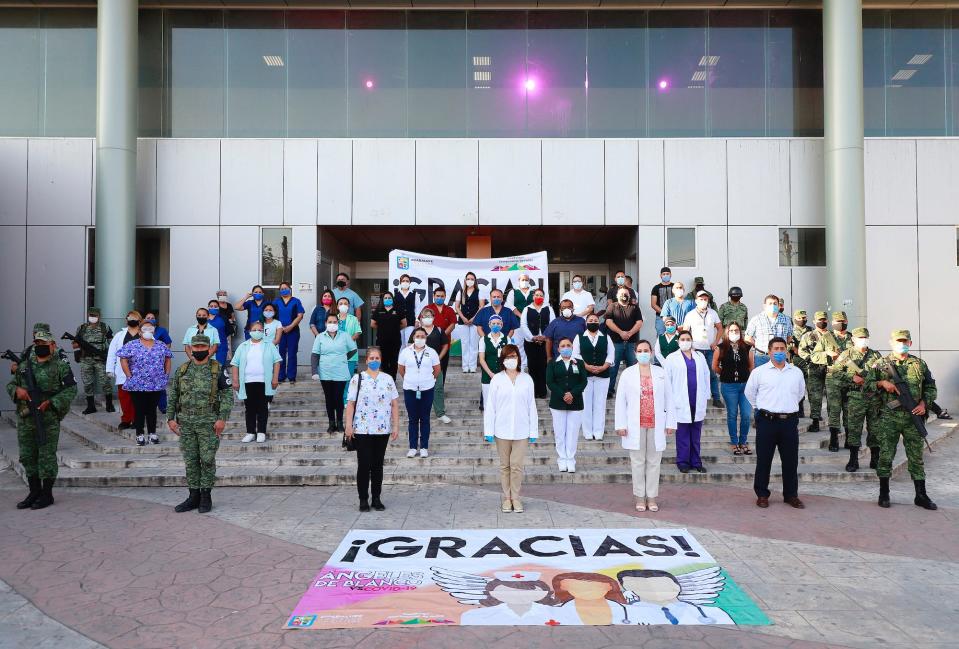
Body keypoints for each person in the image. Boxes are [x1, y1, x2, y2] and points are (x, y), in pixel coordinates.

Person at [6, 330, 77, 510]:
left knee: (46, 456)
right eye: (37, 344)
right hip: (25, 417)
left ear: (52, 345)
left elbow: (71, 389)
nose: (40, 347)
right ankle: (34, 491)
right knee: (28, 456)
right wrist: (17, 392)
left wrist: (51, 402)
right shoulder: (25, 366)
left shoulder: (60, 366)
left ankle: (47, 494)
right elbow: (11, 384)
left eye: (44, 344)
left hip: (48, 418)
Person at [869, 330, 938, 510]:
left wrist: (924, 403)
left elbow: (931, 387)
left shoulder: (919, 364)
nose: (902, 344)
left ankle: (920, 495)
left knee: (916, 457)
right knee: (885, 455)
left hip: (913, 416)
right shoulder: (880, 364)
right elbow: (865, 385)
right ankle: (884, 493)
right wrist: (882, 383)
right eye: (898, 341)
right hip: (889, 417)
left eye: (905, 341)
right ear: (891, 343)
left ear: (910, 343)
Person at [167, 335, 233, 514]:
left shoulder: (217, 369)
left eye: (202, 347)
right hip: (186, 424)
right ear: (190, 349)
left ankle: (206, 496)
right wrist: (170, 418)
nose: (198, 350)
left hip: (208, 423)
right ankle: (193, 496)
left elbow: (227, 396)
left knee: (207, 459)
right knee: (191, 461)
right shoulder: (182, 370)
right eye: (195, 347)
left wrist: (222, 418)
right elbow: (173, 395)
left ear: (209, 348)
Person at [745, 337, 806, 509]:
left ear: (786, 351)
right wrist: (760, 408)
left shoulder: (796, 372)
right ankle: (762, 494)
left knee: (790, 460)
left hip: (789, 422)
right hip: (767, 421)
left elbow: (800, 393)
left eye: (782, 348)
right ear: (769, 351)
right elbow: (750, 393)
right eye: (776, 349)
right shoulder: (760, 372)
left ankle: (791, 495)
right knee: (764, 460)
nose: (779, 352)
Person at [615, 340, 676, 512]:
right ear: (635, 353)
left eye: (646, 350)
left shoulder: (660, 372)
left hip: (656, 423)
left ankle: (652, 497)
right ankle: (640, 497)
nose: (643, 353)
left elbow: (669, 399)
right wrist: (620, 424)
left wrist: (671, 422)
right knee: (637, 462)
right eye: (640, 350)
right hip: (635, 424)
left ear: (651, 352)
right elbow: (621, 401)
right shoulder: (627, 373)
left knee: (654, 462)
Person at [483, 344, 538, 513]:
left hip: (522, 430)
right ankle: (507, 498)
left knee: (516, 465)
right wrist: (488, 431)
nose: (511, 360)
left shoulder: (526, 379)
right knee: (505, 465)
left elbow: (531, 405)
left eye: (513, 356)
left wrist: (533, 430)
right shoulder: (497, 379)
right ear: (503, 360)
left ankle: (516, 497)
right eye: (507, 357)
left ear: (518, 358)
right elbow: (490, 406)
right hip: (502, 429)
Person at [345, 347, 400, 512]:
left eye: (377, 358)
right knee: (364, 464)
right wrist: (349, 425)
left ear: (381, 360)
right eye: (372, 358)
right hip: (362, 429)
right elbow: (351, 404)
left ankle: (376, 497)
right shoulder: (358, 379)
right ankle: (363, 499)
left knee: (377, 465)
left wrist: (395, 425)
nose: (374, 361)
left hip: (382, 429)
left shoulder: (388, 379)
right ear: (366, 360)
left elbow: (395, 404)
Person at [831, 327, 883, 472]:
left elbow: (884, 374)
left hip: (874, 398)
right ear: (853, 339)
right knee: (854, 429)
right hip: (855, 397)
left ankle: (875, 459)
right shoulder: (845, 355)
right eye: (860, 338)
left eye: (865, 337)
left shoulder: (876, 355)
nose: (863, 340)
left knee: (875, 429)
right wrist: (851, 377)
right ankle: (853, 459)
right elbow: (835, 373)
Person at [117, 321, 173, 446]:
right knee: (139, 409)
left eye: (150, 328)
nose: (147, 330)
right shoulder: (132, 345)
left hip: (156, 383)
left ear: (154, 330)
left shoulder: (161, 345)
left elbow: (168, 358)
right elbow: (123, 359)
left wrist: (166, 374)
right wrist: (129, 375)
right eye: (144, 328)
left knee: (152, 409)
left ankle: (152, 434)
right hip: (137, 383)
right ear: (139, 331)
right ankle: (140, 434)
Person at [664, 331, 710, 474]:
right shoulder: (672, 358)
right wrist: (668, 402)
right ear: (678, 342)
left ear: (692, 340)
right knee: (683, 434)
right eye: (682, 339)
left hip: (697, 399)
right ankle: (683, 462)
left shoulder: (700, 357)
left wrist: (706, 396)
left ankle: (696, 461)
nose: (685, 341)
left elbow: (706, 376)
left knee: (696, 434)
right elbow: (667, 381)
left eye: (688, 339)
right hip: (680, 400)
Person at [230, 320, 281, 444]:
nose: (257, 332)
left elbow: (277, 362)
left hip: (264, 381)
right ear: (249, 331)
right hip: (247, 381)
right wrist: (235, 380)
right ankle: (250, 432)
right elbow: (235, 364)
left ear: (263, 332)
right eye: (254, 330)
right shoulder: (243, 346)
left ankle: (261, 432)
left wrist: (275, 378)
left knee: (263, 407)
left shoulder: (269, 345)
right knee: (250, 408)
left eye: (260, 330)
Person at [798, 310, 845, 439]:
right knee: (815, 396)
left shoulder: (832, 336)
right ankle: (815, 421)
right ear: (814, 321)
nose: (822, 322)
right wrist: (810, 358)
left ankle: (834, 424)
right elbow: (801, 351)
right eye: (819, 320)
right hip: (814, 368)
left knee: (832, 398)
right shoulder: (808, 335)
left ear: (827, 321)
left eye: (824, 320)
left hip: (831, 369)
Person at [546, 337, 587, 473]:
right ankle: (562, 458)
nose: (566, 348)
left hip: (576, 403)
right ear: (558, 349)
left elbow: (583, 381)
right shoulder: (552, 363)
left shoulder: (579, 362)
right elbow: (550, 382)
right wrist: (563, 394)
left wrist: (572, 394)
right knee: (559, 432)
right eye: (563, 345)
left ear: (572, 347)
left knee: (573, 432)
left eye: (568, 345)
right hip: (558, 403)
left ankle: (570, 459)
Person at [398, 327, 441, 459]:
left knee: (425, 418)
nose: (420, 338)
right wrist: (410, 380)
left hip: (427, 389)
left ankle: (423, 447)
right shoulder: (405, 352)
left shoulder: (432, 352)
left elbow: (437, 369)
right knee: (412, 419)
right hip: (410, 389)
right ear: (413, 337)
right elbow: (401, 369)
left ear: (426, 338)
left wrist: (429, 380)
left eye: (423, 336)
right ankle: (412, 447)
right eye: (418, 336)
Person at [712, 322, 754, 455]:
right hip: (729, 386)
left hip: (745, 385)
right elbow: (715, 366)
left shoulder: (747, 347)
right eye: (731, 330)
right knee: (732, 414)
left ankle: (743, 441)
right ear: (727, 332)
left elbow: (751, 366)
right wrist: (726, 374)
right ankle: (734, 443)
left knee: (746, 415)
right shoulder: (721, 348)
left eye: (736, 330)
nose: (734, 333)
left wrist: (743, 375)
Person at [313, 313, 357, 433]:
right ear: (326, 323)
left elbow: (353, 349)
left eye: (335, 322)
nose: (332, 324)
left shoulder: (345, 335)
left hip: (341, 371)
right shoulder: (320, 337)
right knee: (329, 398)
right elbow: (315, 354)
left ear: (338, 323)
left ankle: (340, 423)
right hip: (325, 372)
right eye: (330, 322)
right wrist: (314, 371)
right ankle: (331, 423)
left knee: (338, 398)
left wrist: (343, 358)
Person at [573, 314, 614, 441]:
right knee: (586, 404)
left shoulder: (606, 337)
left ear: (599, 322)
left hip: (603, 375)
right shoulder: (579, 337)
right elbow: (575, 355)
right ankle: (587, 432)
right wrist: (586, 366)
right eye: (590, 320)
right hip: (585, 376)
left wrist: (603, 367)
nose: (593, 322)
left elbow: (611, 354)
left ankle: (598, 432)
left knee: (600, 404)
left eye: (595, 320)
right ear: (586, 322)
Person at [682, 290, 723, 407]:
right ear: (696, 301)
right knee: (696, 374)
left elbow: (720, 328)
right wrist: (690, 347)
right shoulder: (690, 315)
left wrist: (716, 342)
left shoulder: (713, 313)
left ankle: (716, 398)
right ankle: (697, 398)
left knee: (713, 373)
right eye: (701, 299)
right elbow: (685, 332)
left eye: (705, 299)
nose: (703, 301)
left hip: (710, 349)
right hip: (696, 349)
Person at [72, 306, 114, 415]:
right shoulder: (82, 328)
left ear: (99, 316)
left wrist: (110, 356)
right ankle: (91, 406)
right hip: (86, 359)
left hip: (100, 359)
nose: (93, 317)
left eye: (95, 315)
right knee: (87, 383)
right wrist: (77, 353)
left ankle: (109, 404)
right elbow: (75, 343)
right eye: (91, 315)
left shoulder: (105, 327)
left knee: (105, 381)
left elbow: (112, 343)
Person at [604, 286, 643, 399]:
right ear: (617, 296)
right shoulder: (612, 306)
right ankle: (609, 390)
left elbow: (639, 322)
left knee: (633, 368)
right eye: (621, 293)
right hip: (615, 343)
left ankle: (633, 390)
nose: (624, 295)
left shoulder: (635, 308)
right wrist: (621, 332)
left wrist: (629, 333)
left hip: (632, 343)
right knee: (612, 368)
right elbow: (608, 322)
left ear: (630, 296)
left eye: (626, 293)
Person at [105, 311, 142, 430]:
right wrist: (110, 369)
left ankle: (137, 420)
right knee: (124, 396)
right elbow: (112, 353)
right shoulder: (119, 335)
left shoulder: (145, 334)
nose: (132, 319)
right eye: (130, 317)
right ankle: (126, 420)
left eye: (134, 317)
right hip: (122, 370)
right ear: (126, 320)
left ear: (139, 320)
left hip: (141, 371)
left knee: (138, 397)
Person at [824, 311, 854, 450]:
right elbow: (814, 355)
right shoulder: (826, 337)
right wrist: (826, 354)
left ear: (846, 322)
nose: (838, 324)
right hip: (833, 378)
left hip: (850, 378)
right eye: (836, 321)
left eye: (841, 321)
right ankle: (834, 439)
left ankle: (849, 438)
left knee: (849, 409)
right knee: (834, 409)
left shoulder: (853, 339)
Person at [519, 288, 554, 399]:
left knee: (543, 366)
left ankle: (543, 391)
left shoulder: (548, 308)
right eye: (537, 295)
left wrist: (544, 336)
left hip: (545, 342)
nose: (539, 297)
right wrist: (532, 337)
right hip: (530, 343)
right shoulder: (527, 309)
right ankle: (533, 392)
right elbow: (523, 325)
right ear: (533, 297)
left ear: (544, 297)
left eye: (541, 295)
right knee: (532, 366)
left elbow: (552, 323)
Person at [420, 308, 452, 425]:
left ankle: (440, 413)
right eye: (425, 316)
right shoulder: (417, 331)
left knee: (438, 388)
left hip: (435, 366)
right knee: (421, 389)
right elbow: (410, 345)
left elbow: (445, 345)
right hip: (421, 366)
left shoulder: (439, 330)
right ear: (421, 318)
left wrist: (438, 358)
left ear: (433, 317)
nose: (427, 318)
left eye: (429, 315)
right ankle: (421, 413)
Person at [745, 294, 793, 368]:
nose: (773, 305)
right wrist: (757, 345)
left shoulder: (786, 319)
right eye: (770, 303)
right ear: (764, 306)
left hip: (780, 356)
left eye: (775, 303)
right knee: (762, 379)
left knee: (780, 378)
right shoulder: (756, 319)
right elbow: (748, 338)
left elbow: (789, 337)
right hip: (762, 357)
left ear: (778, 305)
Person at [272, 282, 305, 385]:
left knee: (292, 354)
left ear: (290, 289)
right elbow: (270, 314)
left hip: (293, 331)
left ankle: (291, 376)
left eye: (285, 288)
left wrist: (291, 326)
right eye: (281, 289)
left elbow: (300, 315)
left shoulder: (296, 301)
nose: (283, 290)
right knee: (280, 353)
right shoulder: (276, 301)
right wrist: (279, 328)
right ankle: (280, 376)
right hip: (279, 331)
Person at [370, 290, 406, 379]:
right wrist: (383, 328)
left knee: (394, 361)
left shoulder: (398, 310)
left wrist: (395, 328)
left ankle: (392, 380)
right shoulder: (378, 310)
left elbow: (404, 324)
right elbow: (372, 324)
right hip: (382, 341)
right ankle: (386, 380)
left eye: (389, 298)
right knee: (384, 361)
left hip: (395, 341)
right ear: (382, 300)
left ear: (392, 299)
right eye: (385, 298)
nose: (387, 299)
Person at [424, 286, 458, 379]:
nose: (440, 298)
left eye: (442, 296)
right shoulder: (427, 308)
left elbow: (453, 325)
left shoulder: (449, 310)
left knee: (442, 366)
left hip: (444, 344)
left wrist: (441, 336)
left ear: (445, 297)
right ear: (434, 296)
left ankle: (440, 390)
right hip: (429, 343)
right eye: (437, 296)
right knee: (427, 367)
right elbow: (422, 322)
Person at [454, 271, 484, 373]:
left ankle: (473, 366)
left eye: (472, 279)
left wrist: (473, 318)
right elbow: (457, 307)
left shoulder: (479, 292)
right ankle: (465, 366)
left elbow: (481, 307)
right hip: (463, 321)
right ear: (465, 280)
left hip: (475, 321)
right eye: (468, 279)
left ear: (475, 281)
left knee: (474, 344)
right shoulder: (460, 292)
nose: (470, 281)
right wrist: (463, 318)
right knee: (465, 343)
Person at [143, 311, 173, 414]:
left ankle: (163, 406)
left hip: (159, 362)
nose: (150, 319)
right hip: (144, 364)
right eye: (148, 317)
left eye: (152, 318)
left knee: (160, 385)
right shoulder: (141, 331)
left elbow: (168, 343)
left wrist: (163, 354)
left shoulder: (161, 330)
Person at [507, 273, 537, 369]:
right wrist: (521, 316)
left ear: (529, 281)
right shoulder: (513, 292)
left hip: (532, 323)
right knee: (518, 345)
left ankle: (530, 365)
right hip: (517, 323)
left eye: (526, 280)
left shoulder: (534, 292)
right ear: (519, 281)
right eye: (522, 280)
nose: (524, 281)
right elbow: (510, 306)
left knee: (531, 343)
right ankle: (520, 366)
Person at [479, 315, 509, 408]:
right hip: (487, 376)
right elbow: (481, 359)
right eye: (493, 323)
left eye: (498, 323)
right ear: (489, 325)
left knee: (502, 404)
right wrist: (490, 374)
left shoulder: (507, 339)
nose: (496, 325)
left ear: (502, 325)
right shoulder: (483, 339)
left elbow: (509, 358)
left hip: (503, 376)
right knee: (488, 405)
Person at [789, 309, 812, 418]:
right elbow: (788, 346)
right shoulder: (791, 331)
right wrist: (794, 348)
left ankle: (814, 412)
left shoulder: (811, 330)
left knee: (811, 387)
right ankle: (799, 409)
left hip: (809, 360)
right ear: (795, 319)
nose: (802, 320)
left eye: (804, 318)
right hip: (796, 361)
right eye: (799, 318)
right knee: (798, 386)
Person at [309, 289, 336, 379]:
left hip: (333, 337)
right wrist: (317, 335)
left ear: (332, 298)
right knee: (316, 354)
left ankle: (330, 374)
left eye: (329, 296)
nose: (327, 298)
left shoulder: (335, 310)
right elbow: (312, 323)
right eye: (325, 296)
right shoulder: (317, 309)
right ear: (322, 298)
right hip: (319, 337)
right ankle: (316, 373)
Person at [394, 273, 419, 347]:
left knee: (409, 343)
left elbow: (417, 307)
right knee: (400, 344)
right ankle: (401, 358)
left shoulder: (414, 294)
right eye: (403, 280)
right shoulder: (395, 293)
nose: (405, 282)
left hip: (410, 321)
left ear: (410, 283)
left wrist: (417, 320)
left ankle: (409, 358)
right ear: (400, 282)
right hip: (399, 322)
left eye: (407, 281)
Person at [205, 299, 230, 366]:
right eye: (211, 306)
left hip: (221, 347)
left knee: (219, 367)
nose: (213, 307)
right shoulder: (204, 318)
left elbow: (228, 331)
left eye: (215, 306)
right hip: (207, 347)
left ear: (218, 307)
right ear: (208, 307)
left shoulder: (223, 318)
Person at [648, 267, 673, 335]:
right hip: (660, 318)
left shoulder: (675, 286)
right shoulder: (656, 288)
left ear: (671, 275)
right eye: (664, 274)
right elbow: (653, 304)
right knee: (661, 337)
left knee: (674, 337)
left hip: (674, 317)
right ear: (660, 275)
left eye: (667, 274)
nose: (666, 275)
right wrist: (664, 313)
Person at [215, 290, 237, 357]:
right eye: (220, 295)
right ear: (217, 296)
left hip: (227, 328)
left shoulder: (229, 305)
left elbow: (232, 315)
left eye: (224, 295)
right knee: (218, 344)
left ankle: (227, 362)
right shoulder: (215, 305)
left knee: (228, 345)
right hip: (218, 328)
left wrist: (231, 320)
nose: (222, 296)